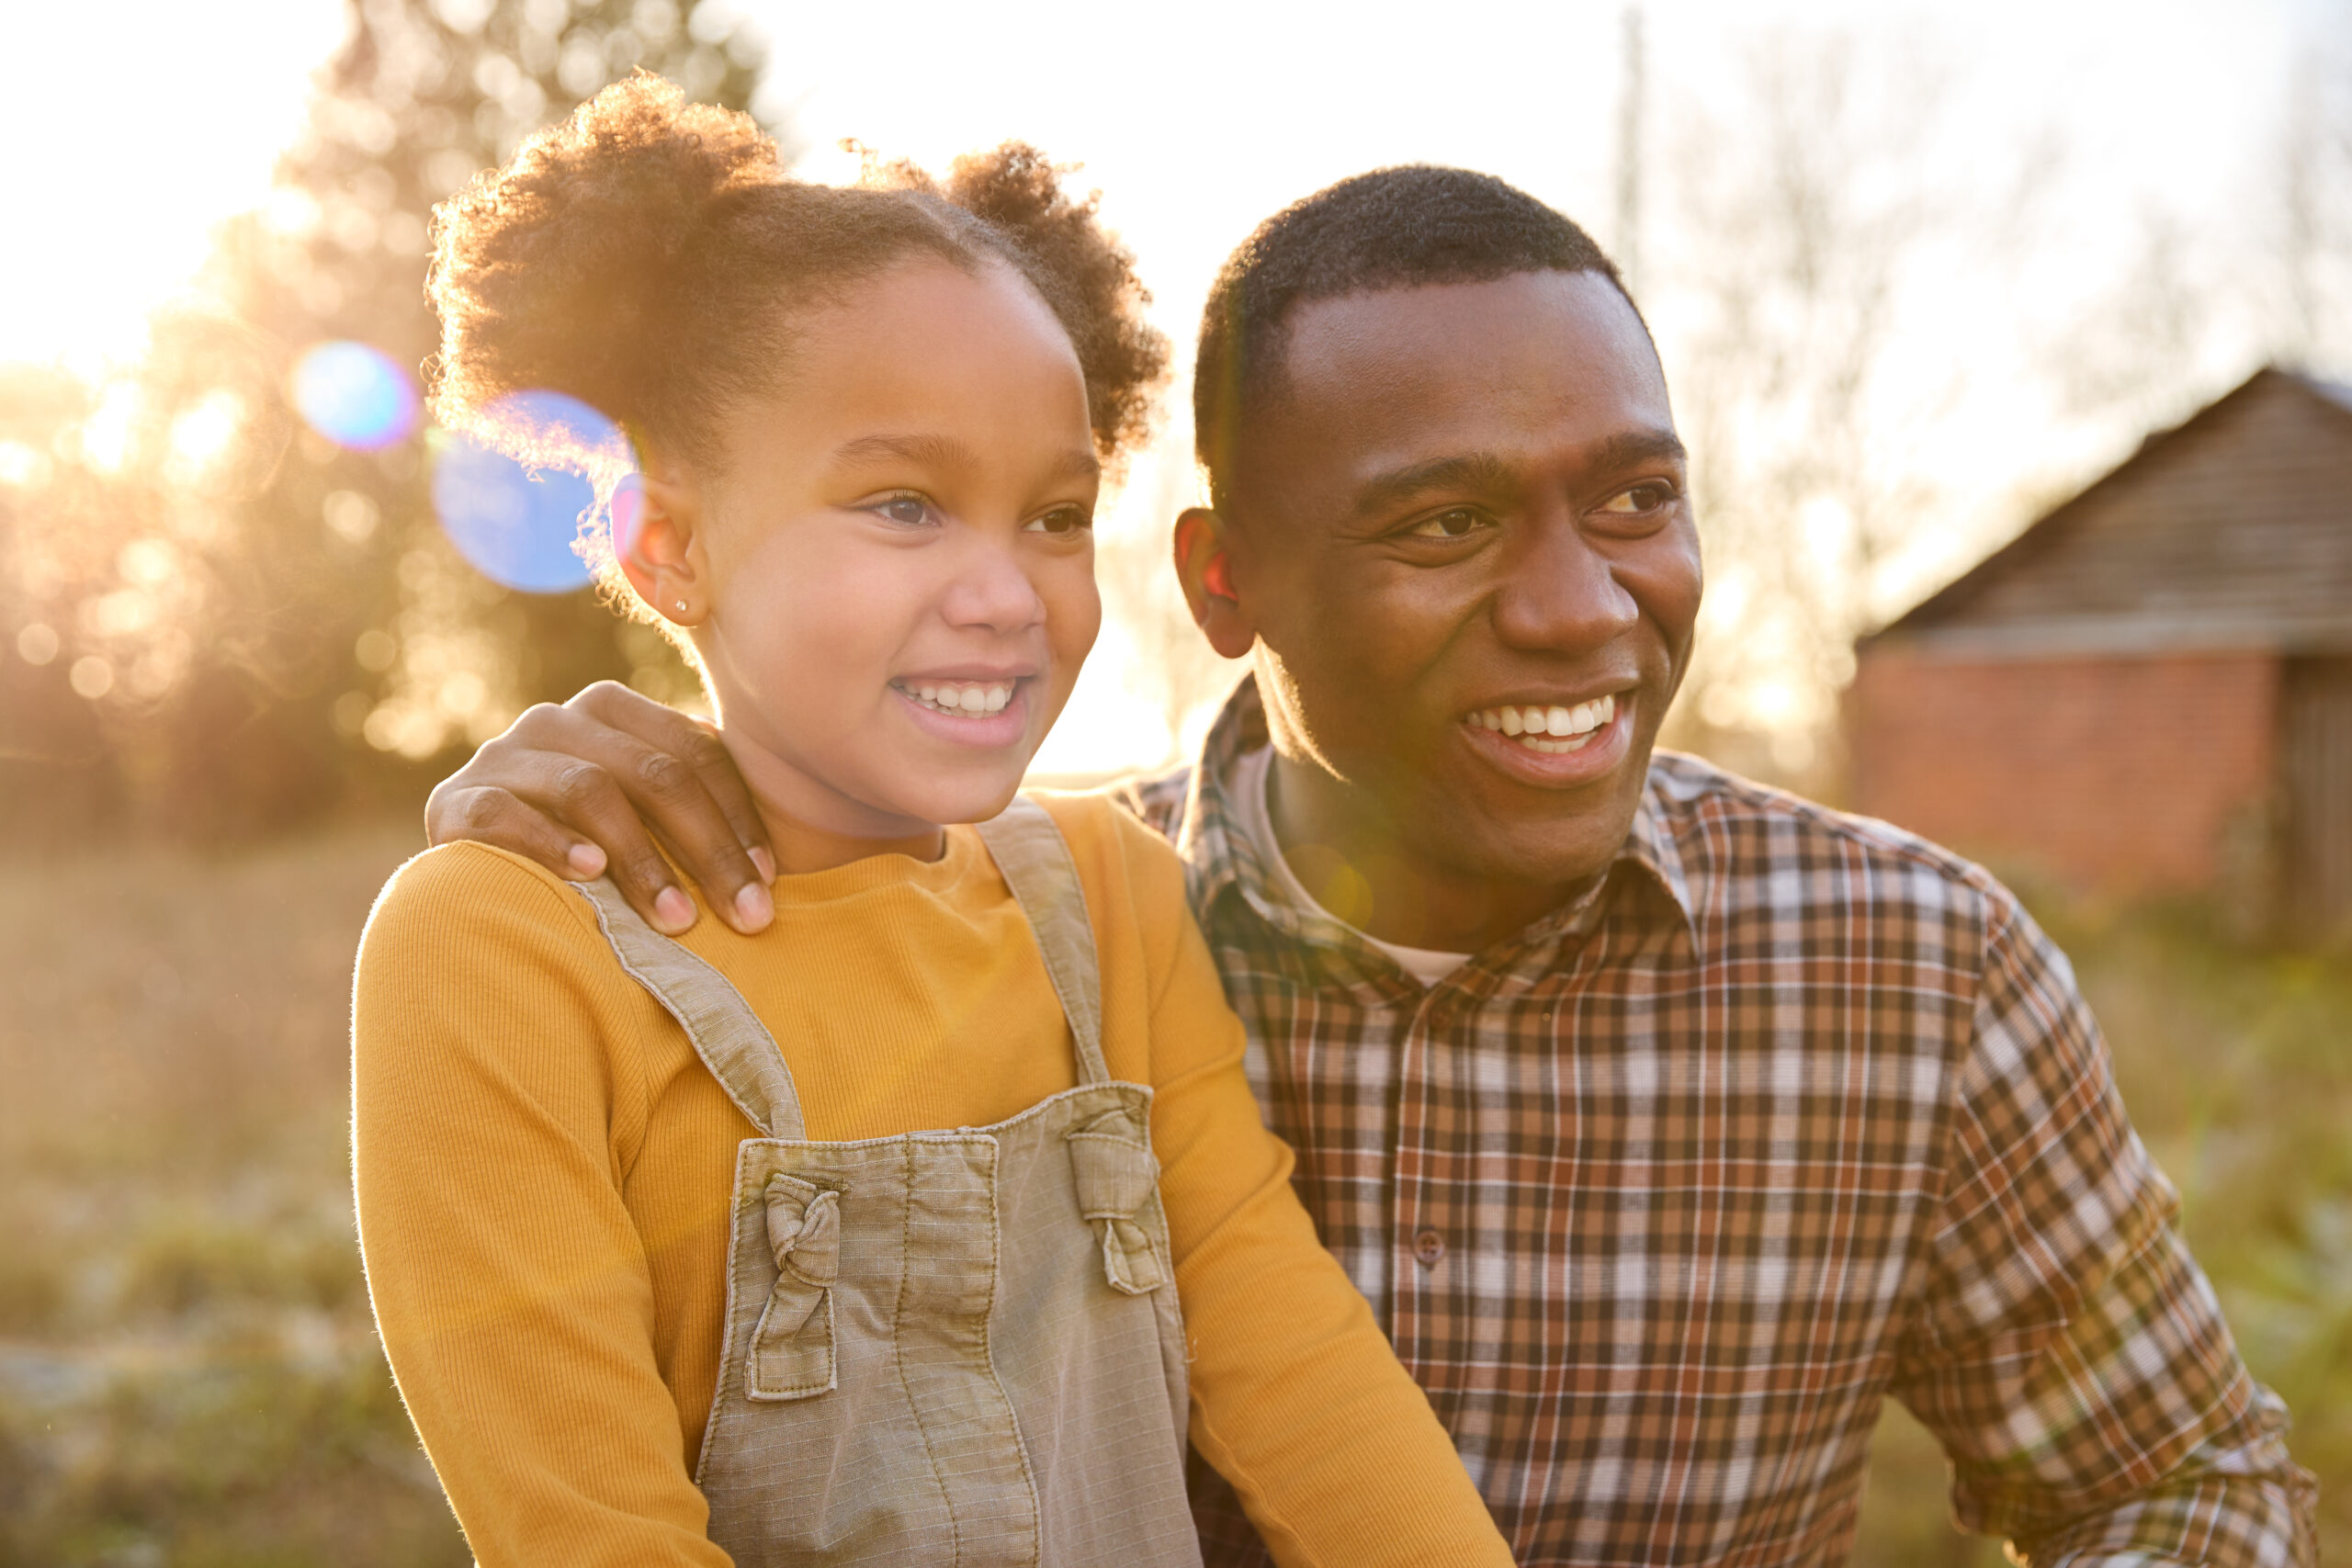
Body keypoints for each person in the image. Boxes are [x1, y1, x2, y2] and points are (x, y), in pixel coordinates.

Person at [424, 165, 2321, 1566]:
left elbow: (2185, 1483)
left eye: (1636, 499)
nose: (1582, 609)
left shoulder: (1913, 972)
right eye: (1444, 522)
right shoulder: (1079, 911)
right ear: (1224, 586)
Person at [352, 79, 1520, 1568]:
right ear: (673, 545)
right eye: (904, 504)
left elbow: (1293, 1364)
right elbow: (586, 1533)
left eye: (1052, 514)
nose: (1006, 592)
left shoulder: (1109, 893)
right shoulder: (500, 948)